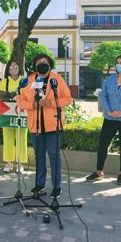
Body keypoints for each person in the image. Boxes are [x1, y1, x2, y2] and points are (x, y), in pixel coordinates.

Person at [19, 54, 73, 198]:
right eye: (38, 62)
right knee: (39, 156)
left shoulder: (57, 79)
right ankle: (40, 184)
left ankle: (57, 186)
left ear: (49, 64)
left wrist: (51, 103)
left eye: (44, 62)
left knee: (54, 156)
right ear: (34, 65)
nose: (41, 64)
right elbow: (21, 101)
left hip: (53, 125)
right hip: (35, 126)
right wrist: (33, 105)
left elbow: (68, 98)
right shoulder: (29, 80)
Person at [86, 54, 121, 184]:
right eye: (117, 62)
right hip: (110, 117)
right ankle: (99, 171)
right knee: (103, 144)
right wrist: (109, 111)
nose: (119, 64)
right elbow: (103, 95)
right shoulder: (110, 79)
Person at [0, 60, 28, 173]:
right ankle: (9, 162)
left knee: (21, 138)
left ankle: (20, 163)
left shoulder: (25, 81)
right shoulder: (4, 82)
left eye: (16, 65)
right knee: (7, 138)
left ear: (20, 68)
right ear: (8, 69)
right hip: (7, 115)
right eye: (11, 66)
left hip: (22, 114)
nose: (13, 67)